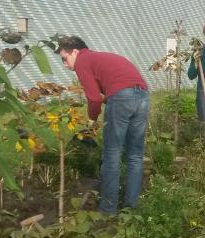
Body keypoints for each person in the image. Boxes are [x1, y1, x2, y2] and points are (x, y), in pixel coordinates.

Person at [57, 36, 149, 214]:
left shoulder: (83, 61)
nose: (65, 65)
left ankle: (108, 209)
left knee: (112, 155)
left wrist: (91, 120)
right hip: (143, 96)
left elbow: (93, 98)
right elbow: (117, 87)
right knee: (135, 155)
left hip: (123, 97)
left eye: (65, 59)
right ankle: (131, 207)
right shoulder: (99, 58)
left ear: (75, 52)